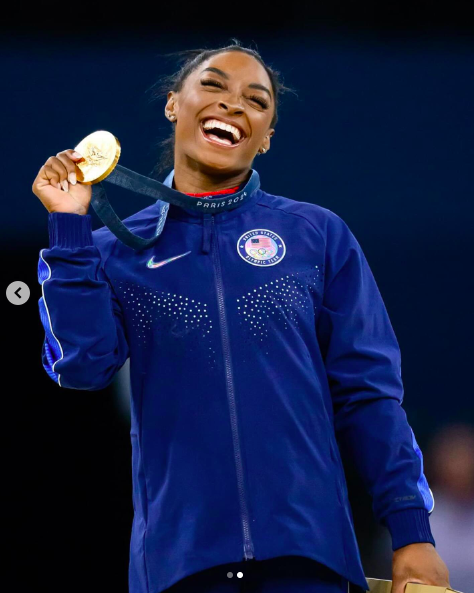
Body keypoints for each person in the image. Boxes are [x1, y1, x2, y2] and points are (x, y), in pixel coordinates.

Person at [32, 42, 451, 593]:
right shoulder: (114, 251)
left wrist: (413, 536)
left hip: (310, 559)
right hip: (180, 566)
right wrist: (69, 230)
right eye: (212, 85)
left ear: (267, 136)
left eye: (255, 100)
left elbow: (370, 396)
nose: (232, 104)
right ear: (172, 104)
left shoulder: (316, 235)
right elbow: (82, 365)